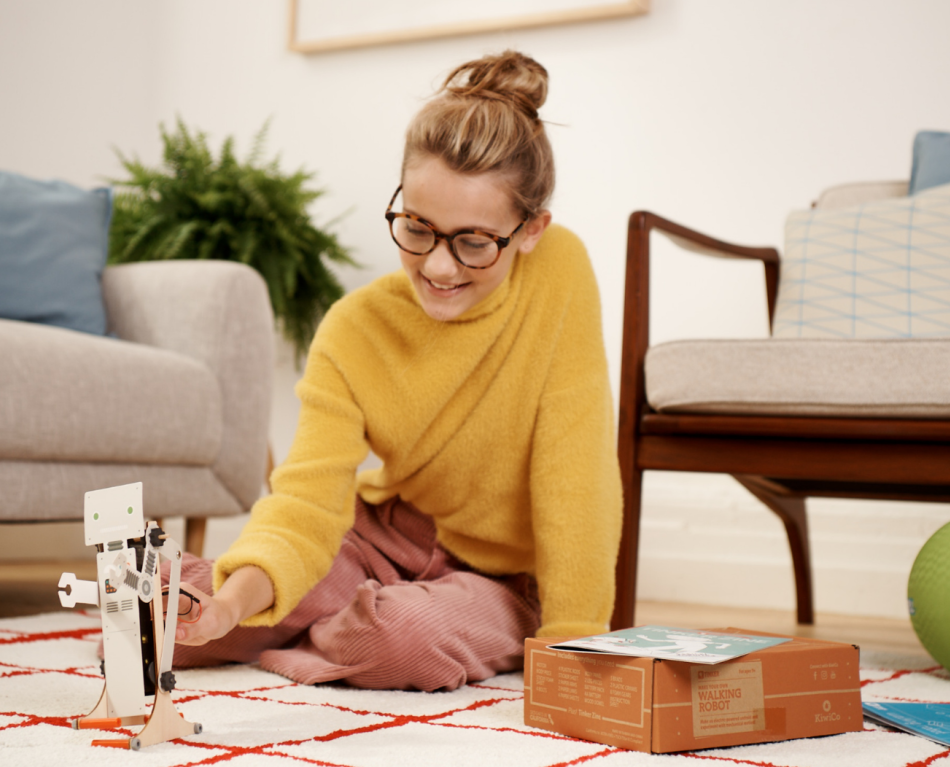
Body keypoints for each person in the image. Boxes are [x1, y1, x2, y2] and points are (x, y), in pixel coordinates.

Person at [165, 50, 623, 692]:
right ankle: (271, 609)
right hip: (379, 539)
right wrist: (227, 608)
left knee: (396, 641)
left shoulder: (560, 271)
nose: (438, 267)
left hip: (502, 579)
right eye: (417, 227)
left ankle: (323, 627)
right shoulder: (355, 327)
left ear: (529, 230)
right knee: (170, 617)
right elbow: (306, 500)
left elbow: (577, 473)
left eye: (473, 241)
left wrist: (575, 641)